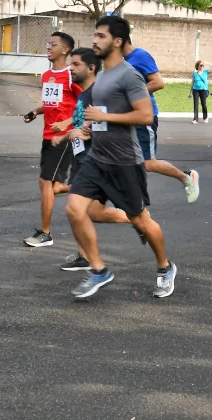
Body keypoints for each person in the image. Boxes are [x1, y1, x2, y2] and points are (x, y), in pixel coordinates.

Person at [65, 15, 177, 299]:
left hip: (125, 161)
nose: (95, 40)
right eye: (95, 35)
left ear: (117, 41)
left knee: (141, 221)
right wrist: (89, 126)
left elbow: (145, 115)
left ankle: (165, 267)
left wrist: (104, 117)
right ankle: (99, 270)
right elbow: (102, 113)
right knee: (75, 209)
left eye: (101, 36)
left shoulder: (130, 75)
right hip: (97, 158)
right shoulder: (102, 76)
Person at [53, 48, 133, 271]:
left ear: (91, 68)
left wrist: (87, 134)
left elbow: (109, 127)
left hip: (95, 160)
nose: (70, 68)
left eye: (75, 64)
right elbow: (82, 125)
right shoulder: (83, 94)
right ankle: (86, 255)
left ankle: (136, 219)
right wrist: (65, 136)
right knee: (89, 213)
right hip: (81, 157)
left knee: (78, 209)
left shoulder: (99, 94)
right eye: (70, 64)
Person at [20, 32, 81, 247]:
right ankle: (87, 186)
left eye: (52, 44)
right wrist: (35, 112)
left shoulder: (72, 75)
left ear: (65, 49)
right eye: (48, 43)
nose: (48, 47)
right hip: (48, 135)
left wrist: (67, 123)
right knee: (52, 187)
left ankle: (45, 234)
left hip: (64, 137)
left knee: (45, 182)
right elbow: (51, 103)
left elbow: (86, 105)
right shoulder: (46, 75)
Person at [124, 39, 200, 204]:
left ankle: (186, 178)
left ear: (118, 40)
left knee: (148, 163)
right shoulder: (119, 61)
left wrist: (131, 96)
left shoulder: (140, 56)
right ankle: (135, 200)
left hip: (144, 116)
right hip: (128, 117)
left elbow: (158, 83)